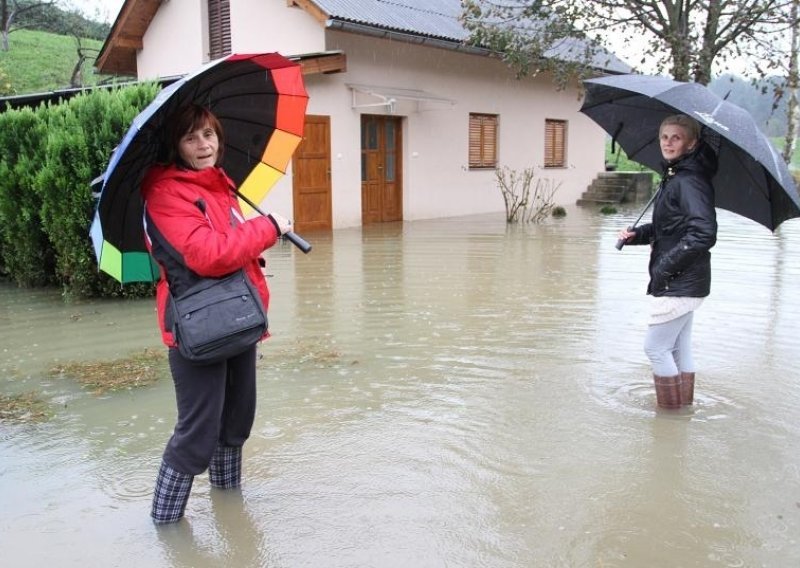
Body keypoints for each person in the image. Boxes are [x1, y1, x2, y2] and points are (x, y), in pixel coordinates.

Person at [141, 104, 292, 524]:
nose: (204, 144)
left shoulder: (219, 186)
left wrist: (258, 230)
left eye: (209, 134)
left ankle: (229, 510)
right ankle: (166, 528)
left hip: (238, 320)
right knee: (197, 434)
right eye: (191, 137)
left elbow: (234, 249)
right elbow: (209, 255)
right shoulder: (164, 193)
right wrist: (268, 228)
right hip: (196, 330)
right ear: (176, 145)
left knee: (236, 422)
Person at [618, 114, 717, 409]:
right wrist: (636, 235)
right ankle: (682, 412)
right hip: (686, 279)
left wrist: (665, 266)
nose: (668, 142)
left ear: (691, 143)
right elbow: (668, 230)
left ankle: (670, 415)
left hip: (679, 281)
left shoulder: (689, 181)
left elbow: (703, 233)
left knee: (656, 348)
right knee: (678, 346)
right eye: (664, 137)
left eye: (676, 137)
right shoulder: (676, 177)